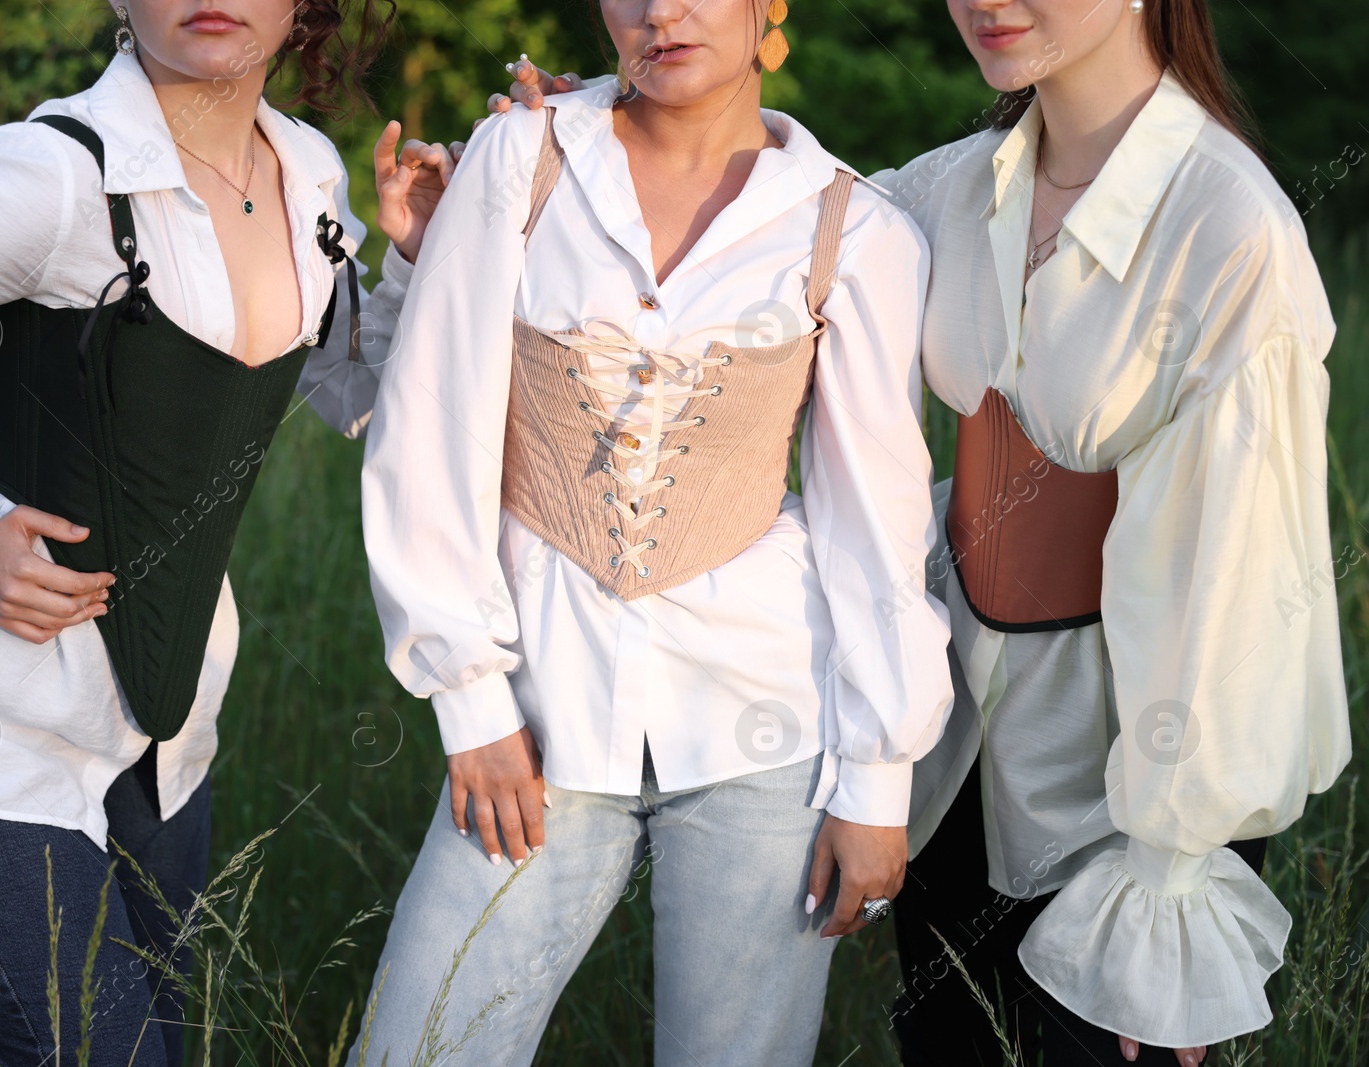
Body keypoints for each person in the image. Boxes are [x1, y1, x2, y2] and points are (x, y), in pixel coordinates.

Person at [504, 0, 1350, 1060]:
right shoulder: (950, 188)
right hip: (957, 740)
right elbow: (754, 214)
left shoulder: (1228, 227)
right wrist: (565, 137)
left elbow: (1244, 578)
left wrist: (1173, 870)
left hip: (1130, 782)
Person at [0, 1, 456, 1062]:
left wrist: (411, 263)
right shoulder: (49, 181)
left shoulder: (308, 173)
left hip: (165, 741)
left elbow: (349, 389)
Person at [353, 0, 954, 1064]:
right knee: (422, 1045)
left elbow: (877, 520)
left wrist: (875, 780)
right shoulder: (520, 160)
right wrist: (468, 699)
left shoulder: (854, 227)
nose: (660, 13)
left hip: (764, 726)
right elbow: (431, 418)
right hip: (532, 722)